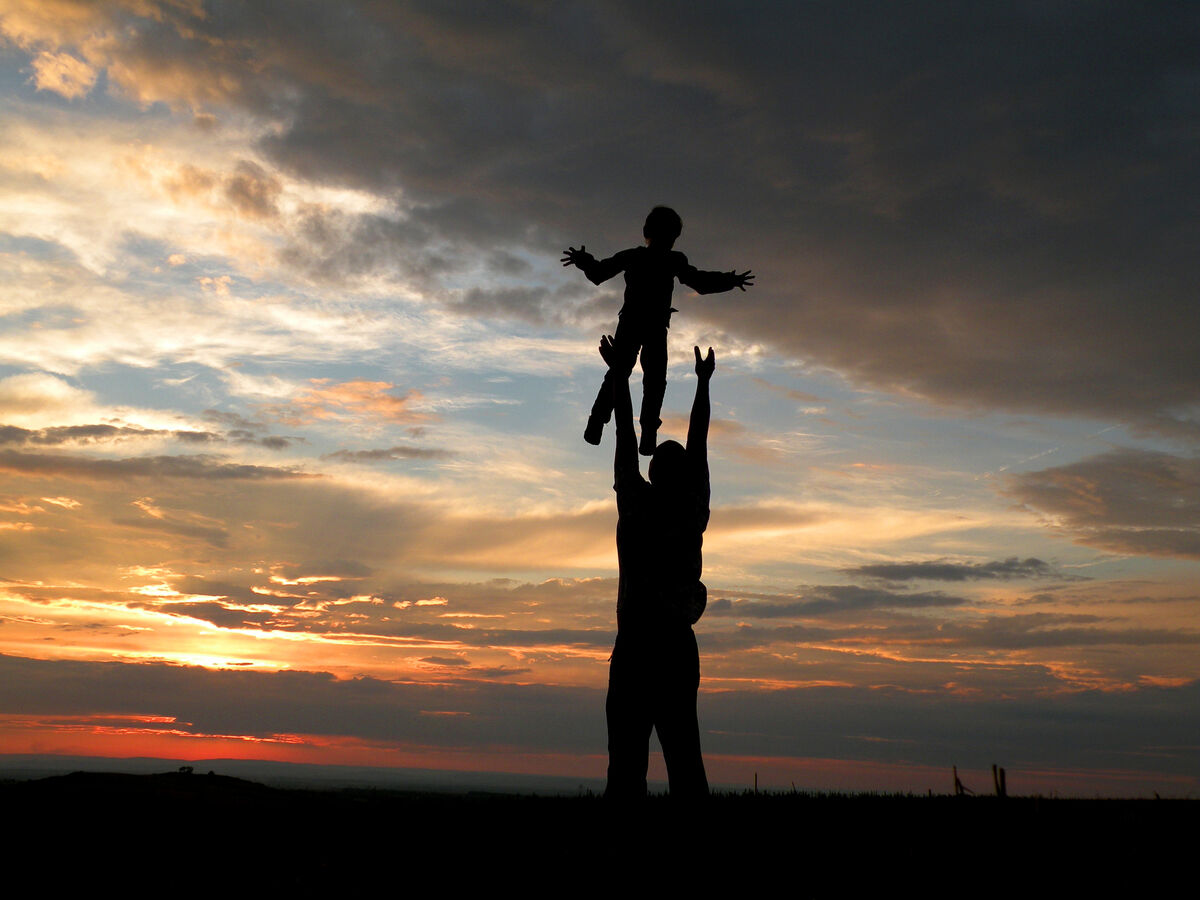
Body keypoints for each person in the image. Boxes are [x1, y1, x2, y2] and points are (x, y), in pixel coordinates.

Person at [599, 332, 715, 799]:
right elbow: (699, 440)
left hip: (638, 646)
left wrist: (622, 376)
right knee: (683, 760)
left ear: (653, 473)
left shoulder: (638, 502)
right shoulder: (690, 509)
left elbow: (627, 435)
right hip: (668, 647)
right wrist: (703, 384)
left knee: (627, 765)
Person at [562, 206, 752, 456]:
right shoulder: (658, 259)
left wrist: (728, 280)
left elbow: (599, 272)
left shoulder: (656, 259)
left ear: (646, 232)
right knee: (644, 378)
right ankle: (614, 425)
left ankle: (615, 426)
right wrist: (729, 280)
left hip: (645, 324)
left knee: (635, 375)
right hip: (641, 323)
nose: (669, 242)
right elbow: (699, 282)